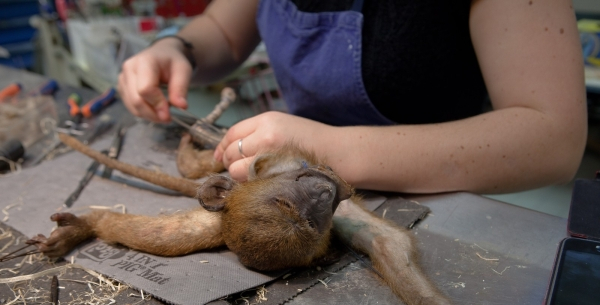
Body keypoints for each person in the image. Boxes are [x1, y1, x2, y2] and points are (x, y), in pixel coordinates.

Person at [118, 0, 588, 194]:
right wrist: (176, 47)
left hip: (444, 197)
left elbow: (552, 137)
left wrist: (336, 150)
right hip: (299, 179)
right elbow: (223, 28)